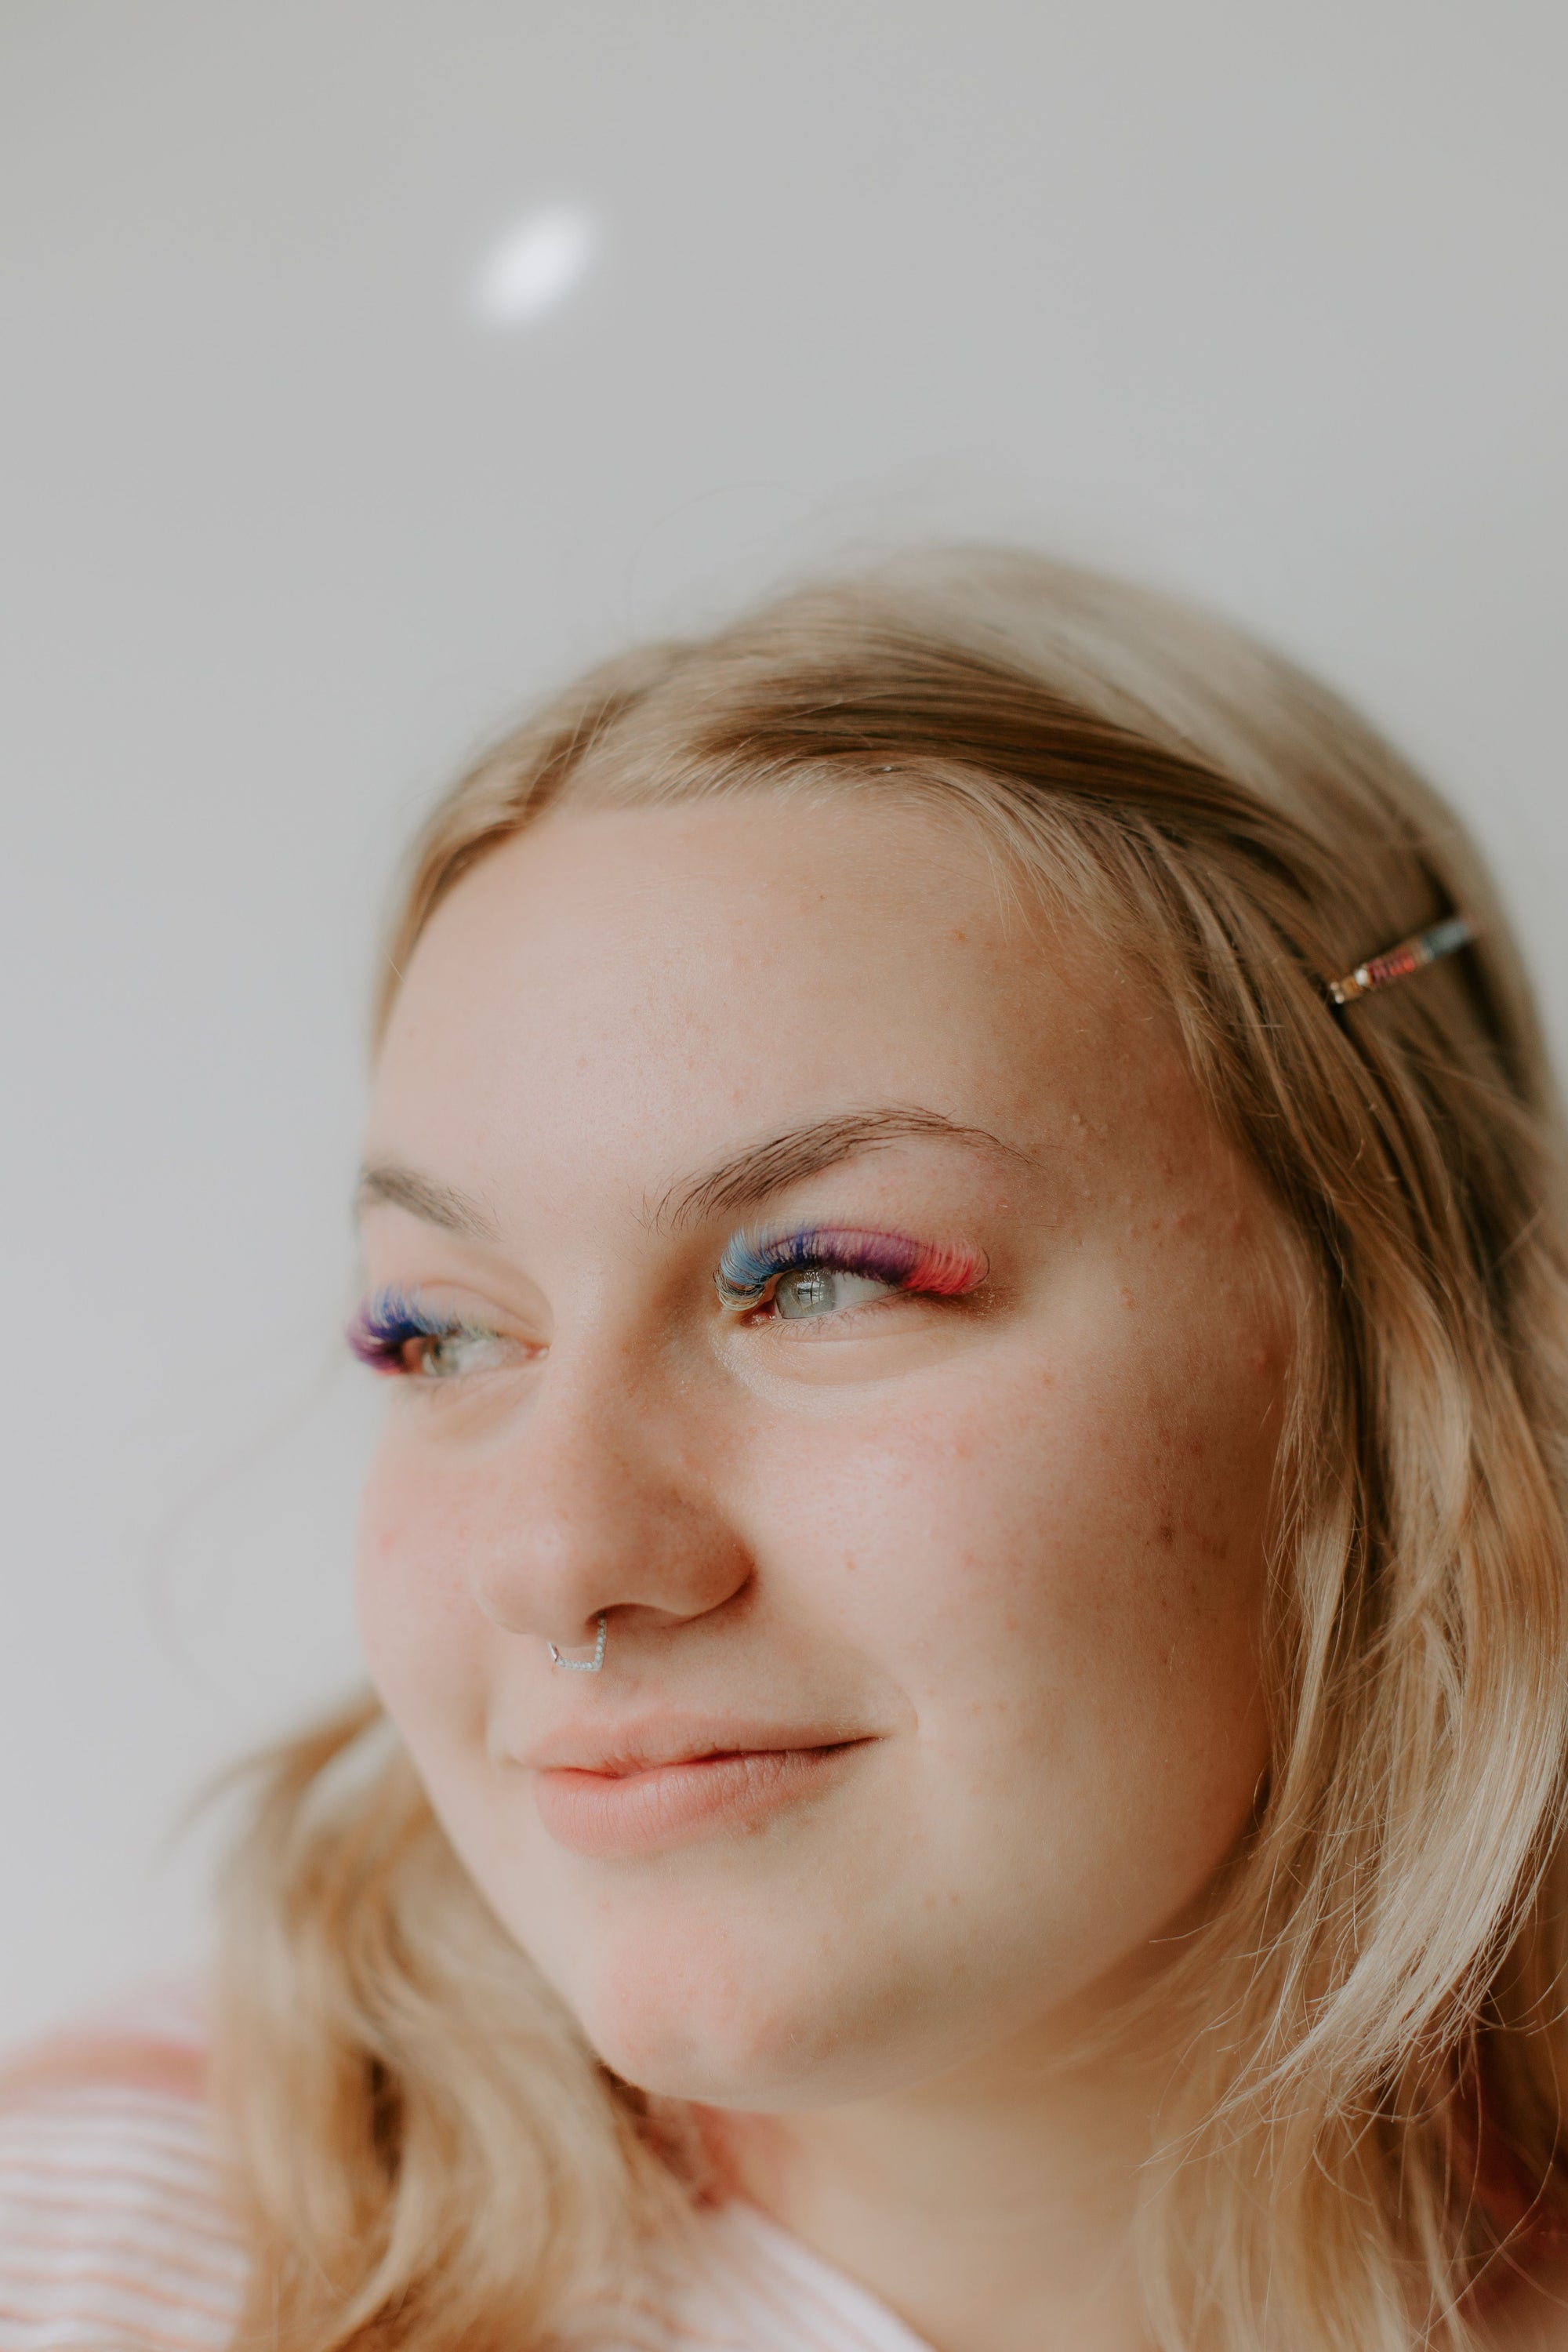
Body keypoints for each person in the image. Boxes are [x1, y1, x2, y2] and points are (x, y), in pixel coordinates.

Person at [5, 549, 1568, 2352]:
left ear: (1398, 1347)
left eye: (821, 1282)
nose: (557, 1556)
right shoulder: (101, 2276)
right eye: (437, 1332)